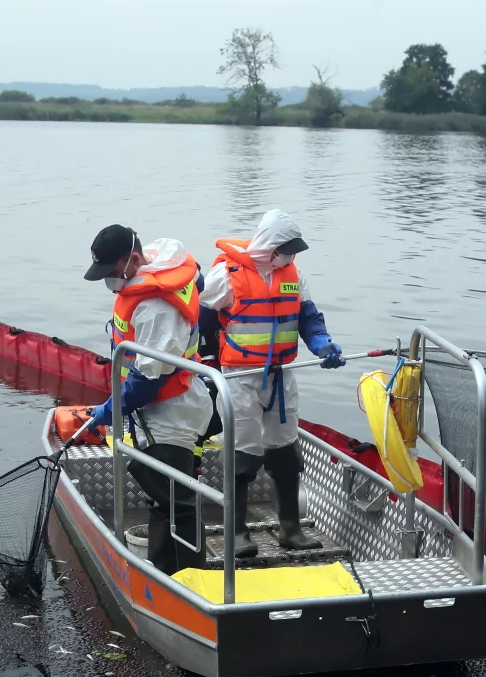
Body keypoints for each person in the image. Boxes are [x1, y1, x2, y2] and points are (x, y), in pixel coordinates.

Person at [199, 209, 344, 557]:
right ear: (269, 245)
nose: (290, 256)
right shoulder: (225, 275)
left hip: (281, 376)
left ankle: (290, 530)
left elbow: (309, 318)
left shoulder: (294, 275)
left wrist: (323, 343)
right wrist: (207, 362)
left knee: (286, 452)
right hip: (239, 379)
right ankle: (237, 534)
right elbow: (201, 319)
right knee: (243, 453)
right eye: (286, 249)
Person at [82, 224, 211, 576]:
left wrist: (109, 410)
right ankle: (167, 573)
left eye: (111, 272)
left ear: (133, 259)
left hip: (171, 411)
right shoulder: (154, 265)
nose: (109, 280)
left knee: (176, 502)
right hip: (161, 409)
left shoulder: (156, 309)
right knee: (166, 497)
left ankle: (185, 581)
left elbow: (145, 382)